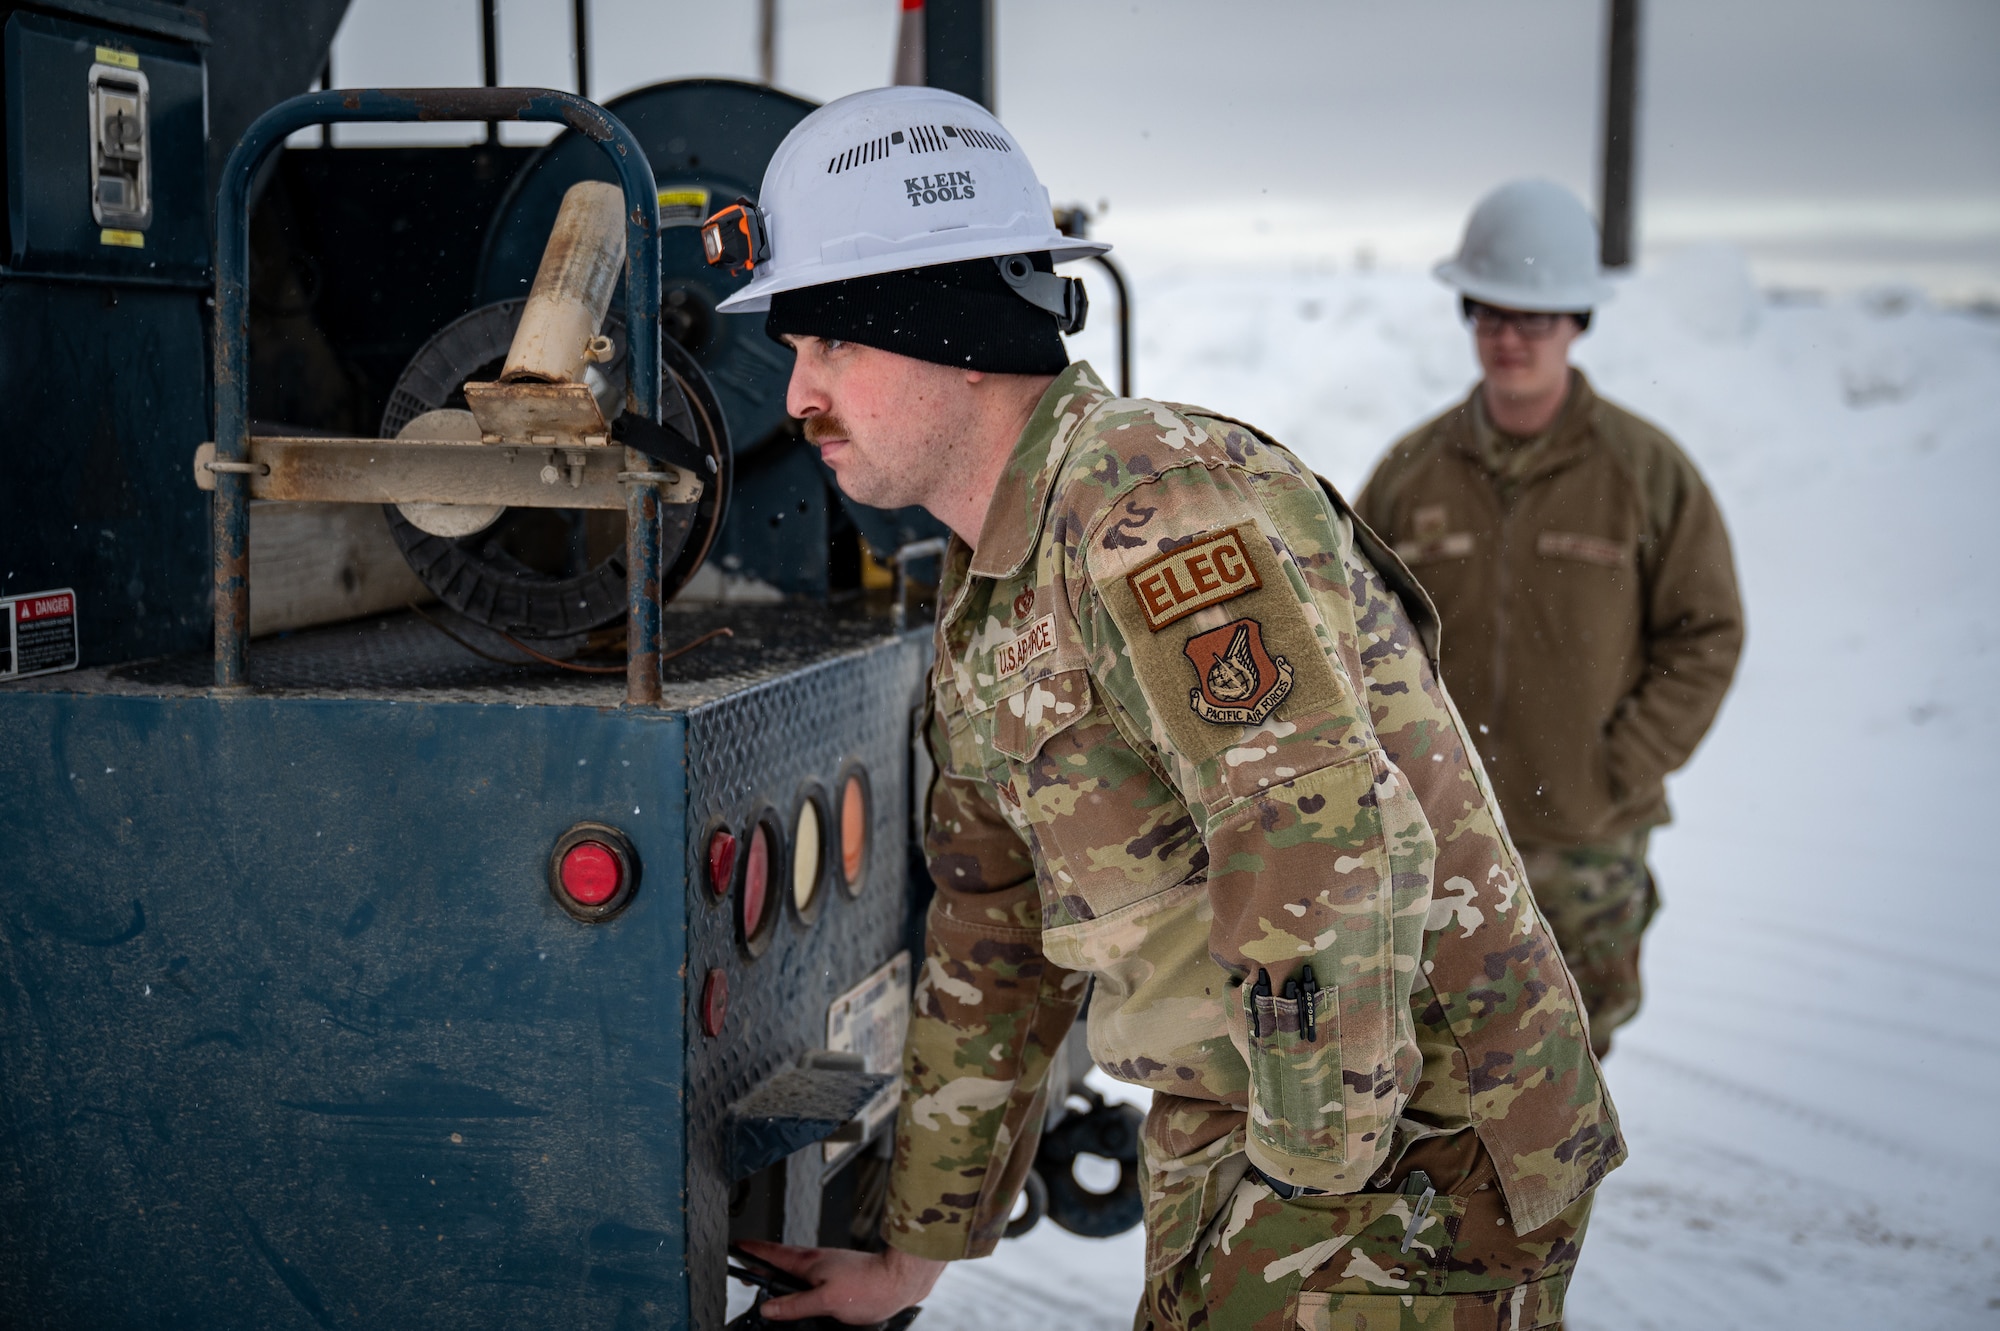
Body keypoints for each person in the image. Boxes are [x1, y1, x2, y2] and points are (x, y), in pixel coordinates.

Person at [704, 90, 1624, 1330]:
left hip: (1404, 1159)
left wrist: (1305, 1201)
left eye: (829, 348)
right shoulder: (993, 595)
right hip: (1273, 1139)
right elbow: (999, 932)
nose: (797, 396)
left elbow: (1314, 837)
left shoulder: (1148, 501)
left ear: (946, 334)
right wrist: (916, 1251)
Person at [1356, 181, 1745, 1058]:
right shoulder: (1412, 471)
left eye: (1533, 317)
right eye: (1489, 313)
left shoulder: (1644, 470)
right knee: (1436, 1084)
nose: (1509, 337)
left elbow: (1707, 631)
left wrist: (1619, 764)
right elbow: (1354, 629)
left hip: (1585, 851)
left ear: (1577, 321)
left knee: (1565, 1096)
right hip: (1439, 843)